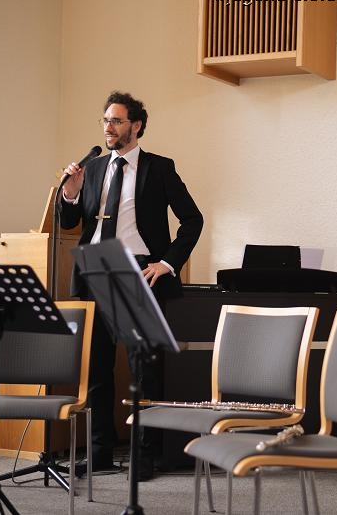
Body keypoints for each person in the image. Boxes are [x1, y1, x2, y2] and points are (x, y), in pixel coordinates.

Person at [60, 91, 203, 480]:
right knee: (98, 368)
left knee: (143, 369)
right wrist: (70, 192)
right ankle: (100, 452)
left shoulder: (159, 168)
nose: (108, 127)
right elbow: (70, 222)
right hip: (93, 269)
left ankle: (144, 455)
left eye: (116, 121)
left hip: (138, 270)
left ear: (136, 126)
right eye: (105, 120)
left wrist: (167, 263)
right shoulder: (92, 168)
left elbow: (193, 220)